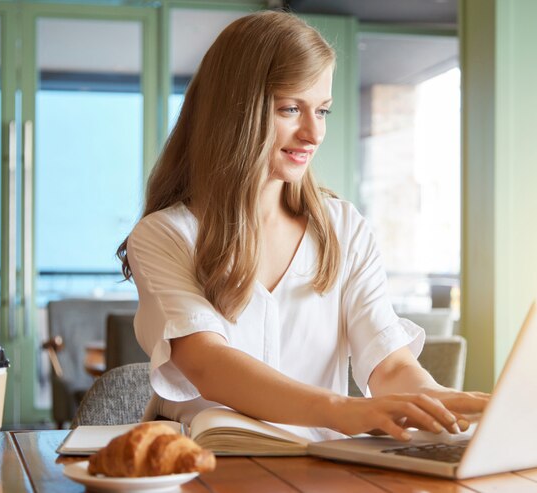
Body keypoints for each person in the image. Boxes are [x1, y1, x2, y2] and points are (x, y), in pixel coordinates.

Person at [117, 10, 488, 442]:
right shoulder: (166, 235)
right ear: (234, 111)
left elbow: (389, 364)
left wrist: (437, 401)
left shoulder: (343, 228)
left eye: (324, 111)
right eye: (291, 108)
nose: (313, 133)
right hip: (209, 468)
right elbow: (205, 362)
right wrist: (344, 410)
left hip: (320, 475)